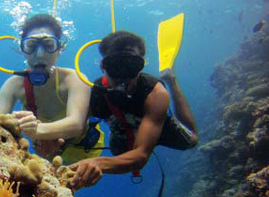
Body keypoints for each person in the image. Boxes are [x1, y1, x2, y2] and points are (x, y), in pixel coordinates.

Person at [69, 31, 198, 188]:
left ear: (141, 66)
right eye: (115, 66)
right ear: (103, 66)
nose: (123, 76)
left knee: (192, 140)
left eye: (131, 66)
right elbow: (74, 125)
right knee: (119, 153)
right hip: (122, 132)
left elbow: (141, 156)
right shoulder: (94, 93)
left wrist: (97, 162)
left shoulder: (155, 93)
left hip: (160, 128)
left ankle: (172, 80)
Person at [0, 14, 102, 162]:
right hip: (48, 158)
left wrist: (37, 131)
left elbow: (76, 124)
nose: (40, 54)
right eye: (31, 46)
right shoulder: (13, 85)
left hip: (85, 152)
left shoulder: (75, 79)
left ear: (60, 49)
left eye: (49, 45)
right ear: (22, 49)